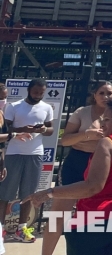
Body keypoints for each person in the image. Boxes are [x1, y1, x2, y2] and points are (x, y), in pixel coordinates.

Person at [24, 93, 112, 255]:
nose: (102, 124)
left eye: (107, 120)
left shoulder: (108, 143)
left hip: (93, 221)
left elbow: (93, 187)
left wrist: (49, 193)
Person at [43, 80, 112, 255]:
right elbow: (65, 140)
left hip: (101, 164)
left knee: (94, 214)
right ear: (94, 95)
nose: (105, 97)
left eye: (110, 93)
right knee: (58, 214)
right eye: (101, 93)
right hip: (77, 162)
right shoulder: (82, 112)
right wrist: (86, 135)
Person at [0, 77, 55, 243]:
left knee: (29, 193)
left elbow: (51, 130)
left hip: (35, 154)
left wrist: (43, 129)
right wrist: (23, 129)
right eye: (35, 92)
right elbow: (6, 128)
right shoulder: (14, 106)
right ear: (29, 90)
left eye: (41, 93)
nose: (38, 95)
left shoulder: (46, 108)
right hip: (14, 153)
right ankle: (0, 229)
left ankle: (22, 229)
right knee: (5, 193)